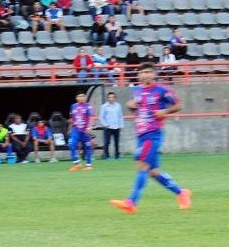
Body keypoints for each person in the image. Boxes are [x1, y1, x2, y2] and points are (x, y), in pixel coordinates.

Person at [110, 62, 192, 213]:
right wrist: (130, 105)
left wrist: (164, 112)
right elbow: (136, 107)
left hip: (153, 133)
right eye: (143, 72)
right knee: (153, 172)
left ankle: (131, 202)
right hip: (141, 133)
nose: (146, 75)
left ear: (154, 74)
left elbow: (178, 105)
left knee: (142, 165)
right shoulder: (137, 91)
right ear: (139, 75)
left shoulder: (162, 90)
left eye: (149, 72)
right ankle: (181, 193)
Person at [68, 92, 94, 171]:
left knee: (87, 147)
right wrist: (70, 128)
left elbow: (91, 117)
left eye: (83, 96)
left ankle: (88, 165)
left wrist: (89, 127)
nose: (81, 97)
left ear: (85, 97)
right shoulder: (73, 106)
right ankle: (77, 164)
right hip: (76, 129)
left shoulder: (88, 106)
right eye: (79, 96)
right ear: (76, 98)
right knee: (72, 144)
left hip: (85, 129)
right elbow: (72, 118)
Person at [100, 91, 124, 160]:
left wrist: (121, 125)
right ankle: (107, 156)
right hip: (108, 127)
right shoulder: (104, 106)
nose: (111, 98)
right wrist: (105, 124)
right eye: (110, 97)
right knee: (107, 142)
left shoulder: (118, 105)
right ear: (108, 98)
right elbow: (101, 117)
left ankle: (117, 156)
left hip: (116, 126)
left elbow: (120, 116)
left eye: (113, 97)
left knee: (117, 142)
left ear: (115, 98)